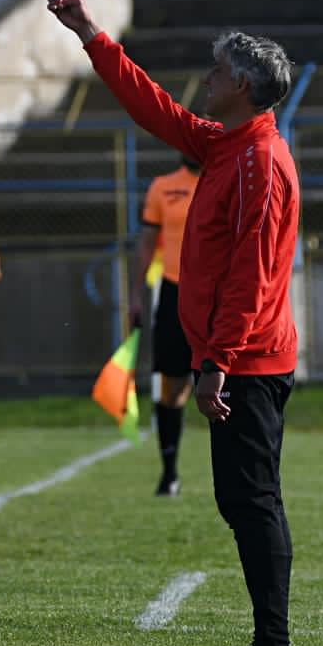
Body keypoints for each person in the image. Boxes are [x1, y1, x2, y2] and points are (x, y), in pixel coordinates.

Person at [46, 0, 304, 646]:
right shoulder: (227, 145)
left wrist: (217, 359)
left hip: (246, 360)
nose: (208, 78)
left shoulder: (259, 161)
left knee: (251, 500)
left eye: (220, 70)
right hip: (232, 356)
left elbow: (253, 274)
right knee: (241, 499)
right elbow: (151, 106)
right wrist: (90, 35)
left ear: (245, 86)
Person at [129, 153, 200, 497]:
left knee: (224, 388)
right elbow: (145, 243)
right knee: (171, 387)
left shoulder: (228, 181)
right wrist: (134, 294)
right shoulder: (163, 187)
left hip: (217, 296)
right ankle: (169, 472)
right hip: (173, 293)